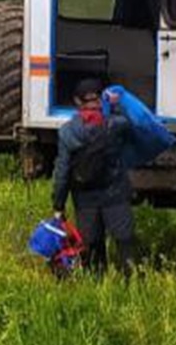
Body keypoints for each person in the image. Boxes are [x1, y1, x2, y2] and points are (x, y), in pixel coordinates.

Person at [50, 78, 137, 274]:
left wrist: (58, 205)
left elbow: (62, 172)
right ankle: (132, 287)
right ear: (100, 99)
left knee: (92, 246)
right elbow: (131, 125)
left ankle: (97, 286)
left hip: (85, 199)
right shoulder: (116, 125)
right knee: (125, 243)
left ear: (77, 102)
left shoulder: (67, 132)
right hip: (115, 195)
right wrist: (115, 107)